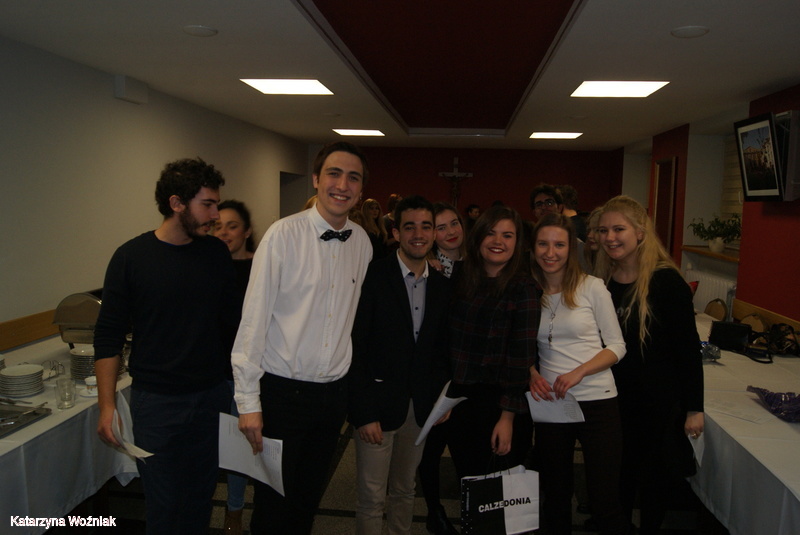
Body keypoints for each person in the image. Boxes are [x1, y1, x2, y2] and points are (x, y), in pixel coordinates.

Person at [232, 141, 373, 535]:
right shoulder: (282, 235)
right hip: (283, 396)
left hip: (332, 397)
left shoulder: (362, 243)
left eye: (353, 177)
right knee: (272, 507)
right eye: (334, 173)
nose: (342, 185)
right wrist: (248, 402)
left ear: (361, 189)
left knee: (307, 502)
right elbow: (253, 322)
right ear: (316, 179)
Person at [94, 158, 238, 534]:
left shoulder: (215, 253)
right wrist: (107, 406)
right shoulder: (131, 258)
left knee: (200, 497)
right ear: (176, 203)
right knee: (164, 505)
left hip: (210, 396)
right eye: (207, 204)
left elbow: (234, 324)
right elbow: (108, 336)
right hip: (157, 403)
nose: (215, 215)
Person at [594, 195, 704, 534]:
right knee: (619, 470)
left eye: (619, 229)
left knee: (654, 476)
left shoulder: (666, 282)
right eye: (603, 230)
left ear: (640, 232)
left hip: (658, 401)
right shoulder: (604, 280)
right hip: (615, 398)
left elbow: (688, 351)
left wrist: (694, 408)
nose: (610, 237)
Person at [349, 195, 453, 535]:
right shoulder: (373, 276)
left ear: (434, 233)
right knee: (372, 497)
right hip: (377, 408)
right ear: (396, 233)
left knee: (405, 490)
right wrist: (363, 412)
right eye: (410, 227)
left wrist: (441, 399)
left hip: (420, 409)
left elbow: (442, 351)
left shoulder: (442, 287)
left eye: (426, 227)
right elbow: (355, 347)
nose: (418, 235)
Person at [528, 213, 629, 535]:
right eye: (543, 244)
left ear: (571, 249)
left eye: (559, 245)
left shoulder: (591, 287)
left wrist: (579, 373)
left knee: (603, 498)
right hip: (551, 403)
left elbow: (617, 346)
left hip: (598, 400)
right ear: (533, 247)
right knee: (555, 494)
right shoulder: (528, 291)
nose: (550, 252)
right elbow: (515, 344)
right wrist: (531, 373)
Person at [447, 205, 539, 479]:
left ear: (517, 243)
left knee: (501, 490)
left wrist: (507, 417)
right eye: (491, 233)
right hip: (461, 400)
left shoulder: (524, 288)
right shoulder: (460, 276)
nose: (498, 241)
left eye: (507, 235)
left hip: (500, 402)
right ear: (478, 237)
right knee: (468, 479)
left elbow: (521, 357)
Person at [417, 201, 464, 535]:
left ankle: (476, 512)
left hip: (470, 374)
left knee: (467, 450)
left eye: (454, 223)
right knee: (431, 451)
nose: (450, 232)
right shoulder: (429, 270)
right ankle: (435, 512)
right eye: (441, 227)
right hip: (438, 374)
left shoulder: (478, 264)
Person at [214, 199, 256, 534]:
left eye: (232, 226)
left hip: (246, 375)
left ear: (247, 231)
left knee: (240, 448)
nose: (224, 232)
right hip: (210, 373)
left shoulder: (260, 268)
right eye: (218, 226)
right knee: (211, 446)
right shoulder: (205, 267)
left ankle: (235, 512)